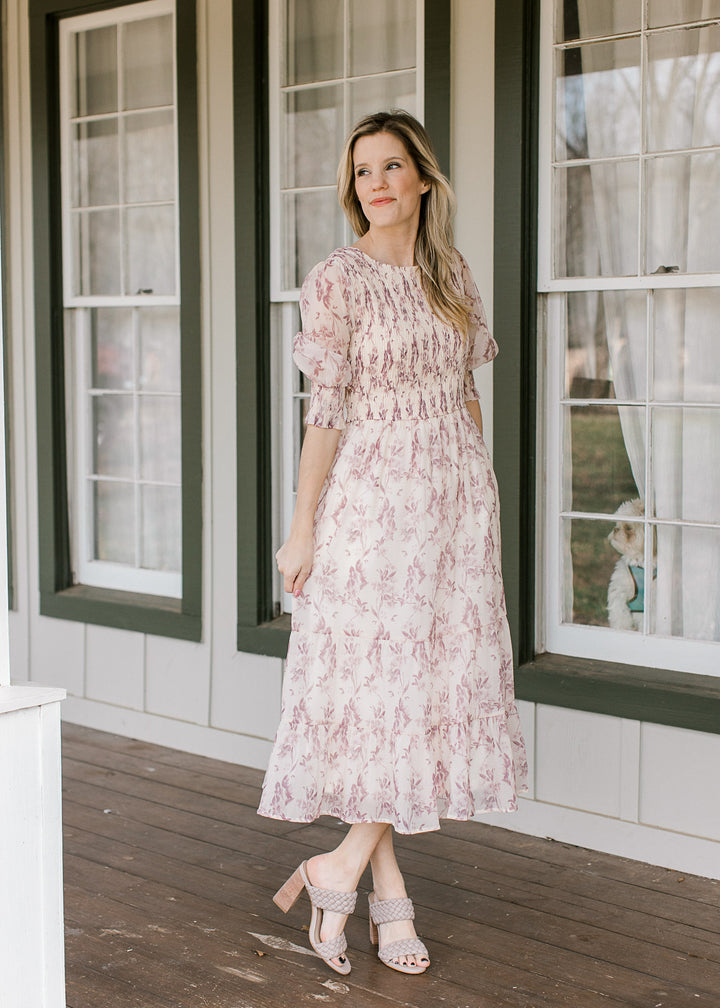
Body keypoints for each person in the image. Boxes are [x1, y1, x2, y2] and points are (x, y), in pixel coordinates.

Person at [258, 110, 528, 977]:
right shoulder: (337, 280)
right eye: (362, 171)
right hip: (374, 507)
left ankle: (377, 888)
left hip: (452, 506)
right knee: (387, 691)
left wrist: (478, 491)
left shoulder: (451, 271)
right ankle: (348, 874)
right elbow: (326, 412)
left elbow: (467, 392)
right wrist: (300, 527)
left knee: (425, 684)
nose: (376, 182)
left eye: (391, 166)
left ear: (421, 180)